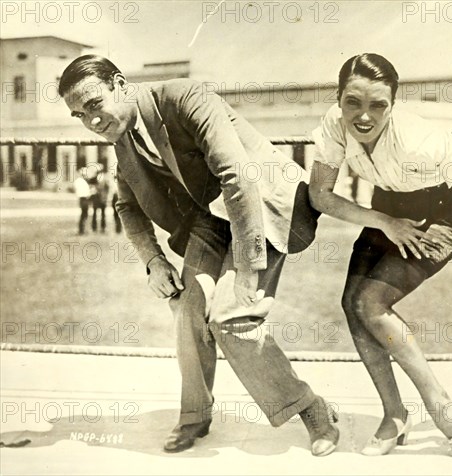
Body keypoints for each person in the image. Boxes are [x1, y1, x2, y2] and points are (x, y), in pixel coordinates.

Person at [59, 55, 338, 456]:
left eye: (94, 105)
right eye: (78, 116)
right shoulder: (123, 140)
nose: (91, 122)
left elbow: (237, 175)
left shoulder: (185, 96)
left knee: (230, 317)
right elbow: (127, 207)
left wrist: (246, 263)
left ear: (120, 84)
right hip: (210, 216)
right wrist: (154, 262)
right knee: (188, 308)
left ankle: (313, 409)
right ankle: (195, 416)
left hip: (264, 205)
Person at [309, 53, 452, 457]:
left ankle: (438, 404)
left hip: (440, 211)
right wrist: (383, 220)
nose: (363, 116)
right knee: (351, 304)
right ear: (339, 97)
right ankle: (394, 415)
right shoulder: (333, 124)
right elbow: (320, 194)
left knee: (371, 303)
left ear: (393, 105)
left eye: (377, 105)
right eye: (353, 102)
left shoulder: (419, 141)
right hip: (388, 210)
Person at [88, 164, 110, 233]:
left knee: (103, 214)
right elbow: (90, 186)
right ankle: (94, 228)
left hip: (102, 199)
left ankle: (103, 228)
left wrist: (105, 196)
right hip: (96, 199)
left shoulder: (104, 179)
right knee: (94, 213)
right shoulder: (93, 179)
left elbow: (107, 188)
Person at [73, 167, 91, 235]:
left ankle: (82, 229)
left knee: (84, 215)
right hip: (83, 199)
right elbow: (84, 192)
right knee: (84, 215)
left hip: (84, 199)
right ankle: (81, 230)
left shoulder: (80, 181)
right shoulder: (80, 181)